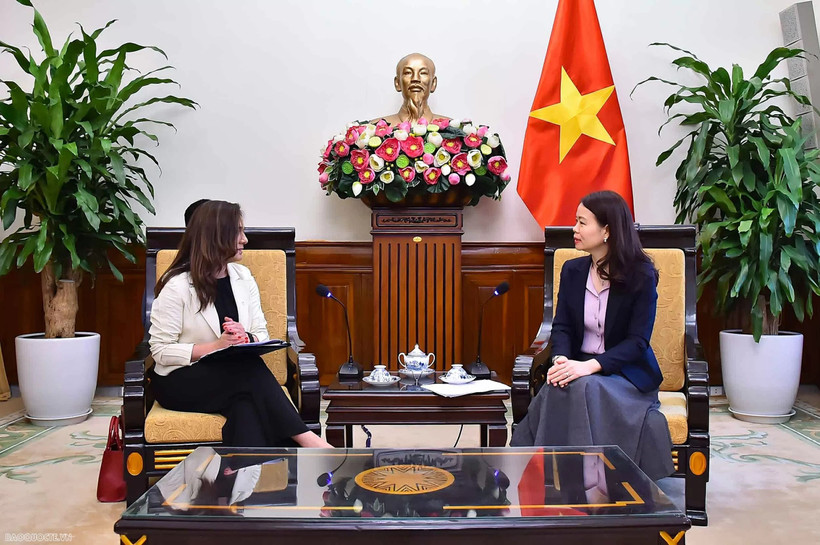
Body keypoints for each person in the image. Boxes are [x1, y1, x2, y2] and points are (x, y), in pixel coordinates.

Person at [511, 191, 674, 480]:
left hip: (626, 377)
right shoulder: (573, 271)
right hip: (578, 369)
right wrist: (561, 359)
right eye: (576, 221)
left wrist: (587, 367)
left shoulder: (641, 275)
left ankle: (583, 482)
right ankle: (552, 480)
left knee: (581, 386)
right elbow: (561, 327)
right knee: (559, 384)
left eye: (582, 222)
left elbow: (637, 343)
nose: (574, 229)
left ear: (607, 230)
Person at [148, 200, 331, 448]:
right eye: (238, 232)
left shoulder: (243, 277)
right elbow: (159, 350)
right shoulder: (177, 286)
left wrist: (246, 338)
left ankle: (237, 480)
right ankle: (311, 443)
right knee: (248, 369)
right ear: (216, 236)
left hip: (233, 377)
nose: (245, 239)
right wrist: (216, 346)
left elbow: (261, 333)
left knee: (246, 407)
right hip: (180, 381)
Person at [375, 53, 447, 126]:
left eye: (423, 73)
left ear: (433, 83)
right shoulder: (372, 129)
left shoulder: (455, 130)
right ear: (397, 83)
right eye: (408, 73)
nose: (415, 79)